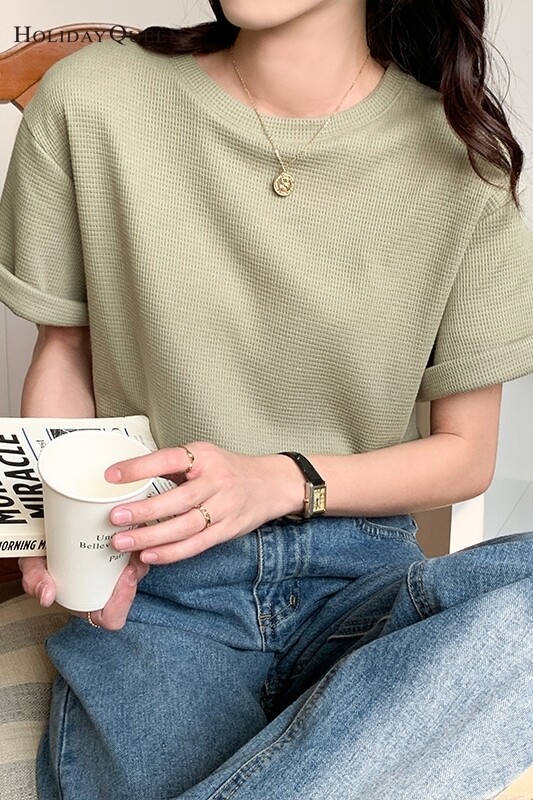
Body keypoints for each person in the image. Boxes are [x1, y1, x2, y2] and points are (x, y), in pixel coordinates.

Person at [0, 0, 532, 797]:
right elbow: (64, 352)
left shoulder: (462, 158)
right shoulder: (93, 99)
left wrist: (281, 479)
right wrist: (63, 535)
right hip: (156, 574)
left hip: (361, 581)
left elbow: (465, 455)